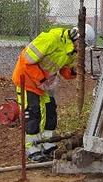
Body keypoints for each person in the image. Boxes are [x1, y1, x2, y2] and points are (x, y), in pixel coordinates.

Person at [12, 25, 95, 162]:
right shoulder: (50, 39)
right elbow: (26, 61)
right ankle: (31, 147)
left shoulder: (70, 50)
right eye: (82, 45)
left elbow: (64, 70)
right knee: (33, 112)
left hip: (44, 83)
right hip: (27, 80)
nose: (81, 49)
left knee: (50, 111)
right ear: (76, 37)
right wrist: (41, 79)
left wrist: (75, 71)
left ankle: (47, 143)